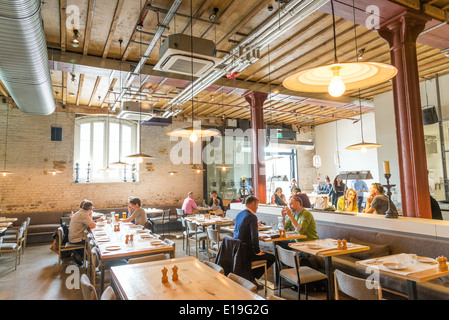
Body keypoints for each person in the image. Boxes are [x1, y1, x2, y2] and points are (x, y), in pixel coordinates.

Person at [233, 196, 276, 285]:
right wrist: (256, 251)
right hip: (246, 252)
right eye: (257, 205)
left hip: (237, 249)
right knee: (272, 257)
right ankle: (251, 277)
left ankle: (250, 277)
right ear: (253, 204)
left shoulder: (240, 214)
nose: (257, 207)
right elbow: (254, 238)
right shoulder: (252, 216)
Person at [68, 200, 101, 265]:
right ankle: (94, 260)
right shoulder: (83, 215)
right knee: (95, 241)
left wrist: (95, 220)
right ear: (91, 209)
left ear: (83, 206)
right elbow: (92, 225)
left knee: (92, 238)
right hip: (77, 239)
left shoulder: (79, 212)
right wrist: (91, 215)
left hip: (73, 237)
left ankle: (87, 257)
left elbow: (89, 223)